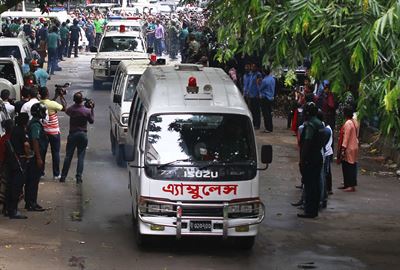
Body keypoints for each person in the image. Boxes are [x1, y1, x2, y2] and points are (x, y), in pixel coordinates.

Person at [60, 92, 94, 184]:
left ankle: (63, 176)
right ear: (82, 100)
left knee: (68, 156)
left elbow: (66, 110)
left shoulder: (71, 110)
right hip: (83, 134)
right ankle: (78, 177)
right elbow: (91, 121)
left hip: (73, 134)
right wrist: (92, 109)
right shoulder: (86, 111)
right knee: (81, 157)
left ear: (74, 100)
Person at [298, 102, 324, 218]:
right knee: (316, 184)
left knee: (309, 185)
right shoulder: (320, 124)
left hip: (310, 158)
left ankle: (309, 211)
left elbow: (307, 143)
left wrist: (302, 160)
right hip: (318, 156)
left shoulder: (310, 125)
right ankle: (314, 209)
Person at [3, 114, 31, 218]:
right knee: (17, 186)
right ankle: (13, 211)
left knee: (10, 185)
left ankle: (8, 209)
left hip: (11, 161)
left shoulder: (14, 130)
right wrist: (28, 155)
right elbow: (26, 145)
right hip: (19, 160)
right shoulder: (21, 131)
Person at [39, 87, 66, 180]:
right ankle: (56, 174)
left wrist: (55, 96)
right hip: (54, 132)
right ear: (47, 94)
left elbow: (48, 103)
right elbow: (64, 108)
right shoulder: (52, 104)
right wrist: (61, 97)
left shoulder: (38, 103)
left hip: (43, 132)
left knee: (42, 153)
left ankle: (41, 173)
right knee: (55, 153)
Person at [25, 103, 47, 212]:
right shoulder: (35, 125)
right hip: (35, 157)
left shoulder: (34, 122)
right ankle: (31, 203)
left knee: (32, 180)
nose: (44, 113)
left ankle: (31, 202)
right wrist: (38, 158)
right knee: (33, 181)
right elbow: (35, 141)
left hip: (34, 156)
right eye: (43, 111)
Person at [337, 106, 359, 192]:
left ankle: (350, 185)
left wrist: (343, 149)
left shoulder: (347, 124)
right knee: (350, 166)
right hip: (354, 146)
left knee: (348, 166)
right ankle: (348, 184)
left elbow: (346, 138)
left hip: (349, 147)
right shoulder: (354, 122)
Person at [258, 66, 275, 133]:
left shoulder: (264, 80)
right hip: (271, 97)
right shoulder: (273, 79)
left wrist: (258, 83)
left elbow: (260, 88)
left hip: (265, 98)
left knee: (265, 114)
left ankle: (267, 128)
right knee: (269, 113)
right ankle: (270, 127)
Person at [248, 63, 262, 129]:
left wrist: (259, 94)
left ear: (256, 68)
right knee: (252, 110)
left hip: (256, 95)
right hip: (251, 95)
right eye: (252, 66)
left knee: (256, 111)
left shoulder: (258, 75)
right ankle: (253, 123)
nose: (252, 68)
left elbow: (259, 85)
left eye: (253, 67)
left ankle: (257, 124)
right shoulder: (251, 74)